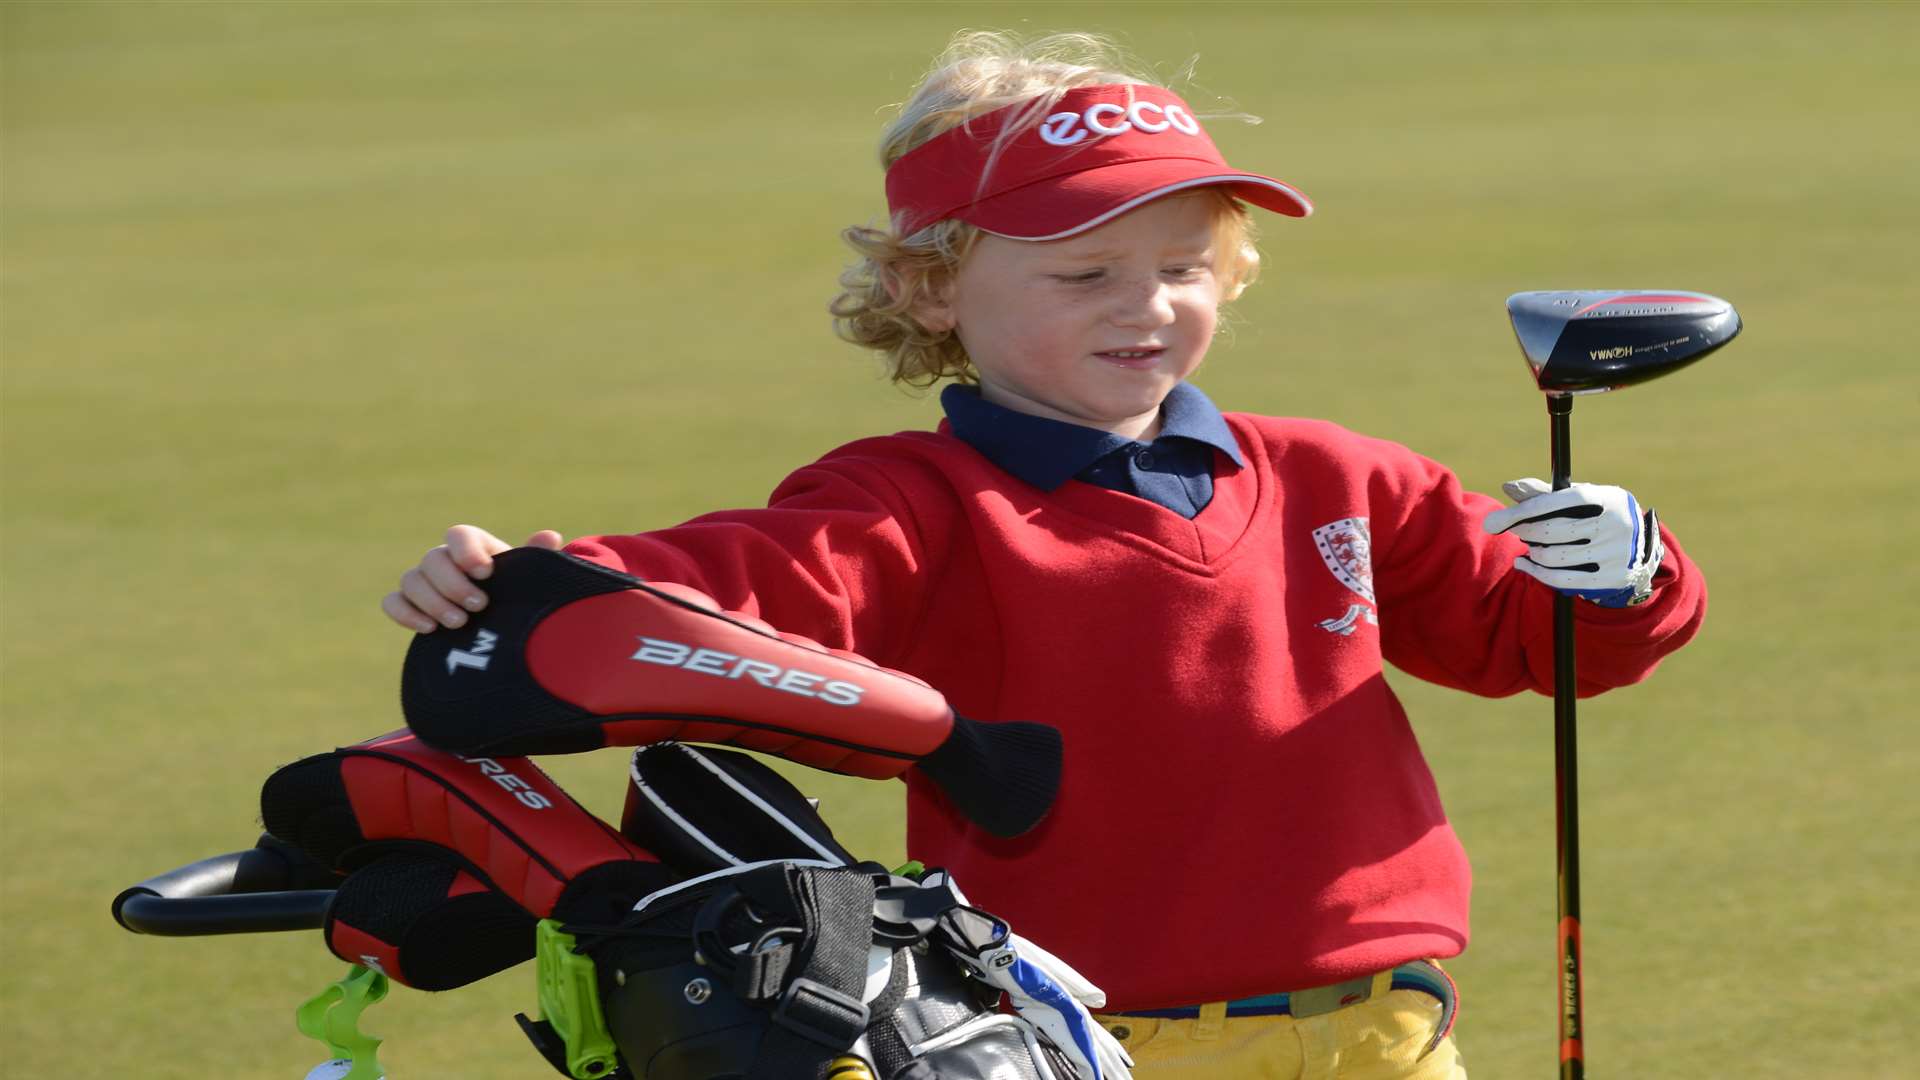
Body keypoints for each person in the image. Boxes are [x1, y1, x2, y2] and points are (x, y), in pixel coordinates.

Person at [379, 31, 1705, 1080]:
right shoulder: (907, 501)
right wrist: (532, 589)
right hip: (1078, 1043)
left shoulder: (1336, 472)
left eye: (1187, 266)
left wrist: (1620, 572)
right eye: (1084, 276)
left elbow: (1528, 638)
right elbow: (738, 586)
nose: (1147, 306)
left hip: (1386, 1032)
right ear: (931, 289)